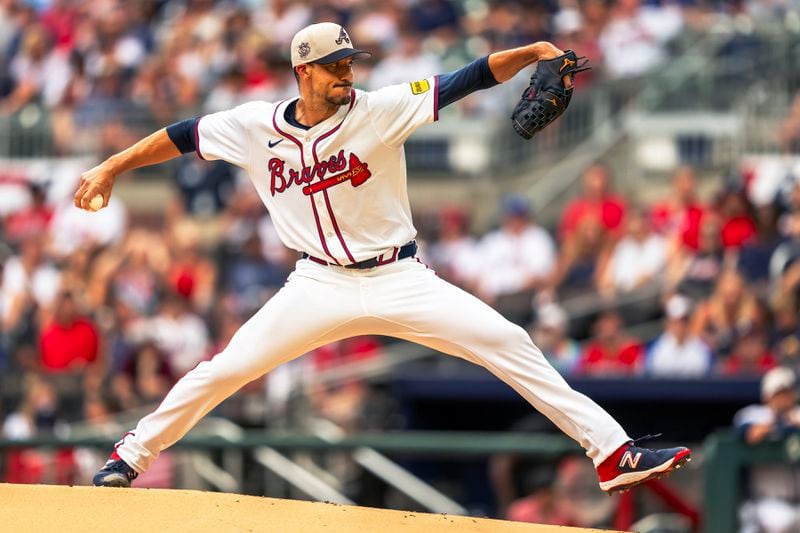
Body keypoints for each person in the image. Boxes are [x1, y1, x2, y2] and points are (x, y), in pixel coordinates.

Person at [76, 22, 689, 493]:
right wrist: (110, 166)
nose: (346, 72)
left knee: (508, 341)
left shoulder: (380, 107)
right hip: (316, 284)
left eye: (349, 62)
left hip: (400, 276)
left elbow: (469, 77)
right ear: (303, 71)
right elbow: (182, 135)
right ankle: (131, 455)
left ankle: (613, 452)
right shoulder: (251, 124)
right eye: (334, 65)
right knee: (229, 368)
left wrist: (532, 53)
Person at [734, 367, 800, 533]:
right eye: (779, 393)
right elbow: (750, 434)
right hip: (764, 502)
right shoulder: (753, 414)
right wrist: (777, 424)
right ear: (767, 395)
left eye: (787, 392)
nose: (784, 398)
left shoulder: (797, 415)